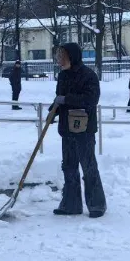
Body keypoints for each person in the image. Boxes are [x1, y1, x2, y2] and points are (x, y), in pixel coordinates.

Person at [52, 42, 106, 218]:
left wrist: (66, 99)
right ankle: (71, 204)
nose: (59, 59)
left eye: (62, 56)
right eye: (58, 56)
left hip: (84, 130)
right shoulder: (62, 76)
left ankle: (97, 205)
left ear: (72, 57)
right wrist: (54, 110)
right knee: (68, 167)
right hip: (66, 129)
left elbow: (91, 99)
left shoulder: (88, 75)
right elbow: (60, 99)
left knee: (88, 166)